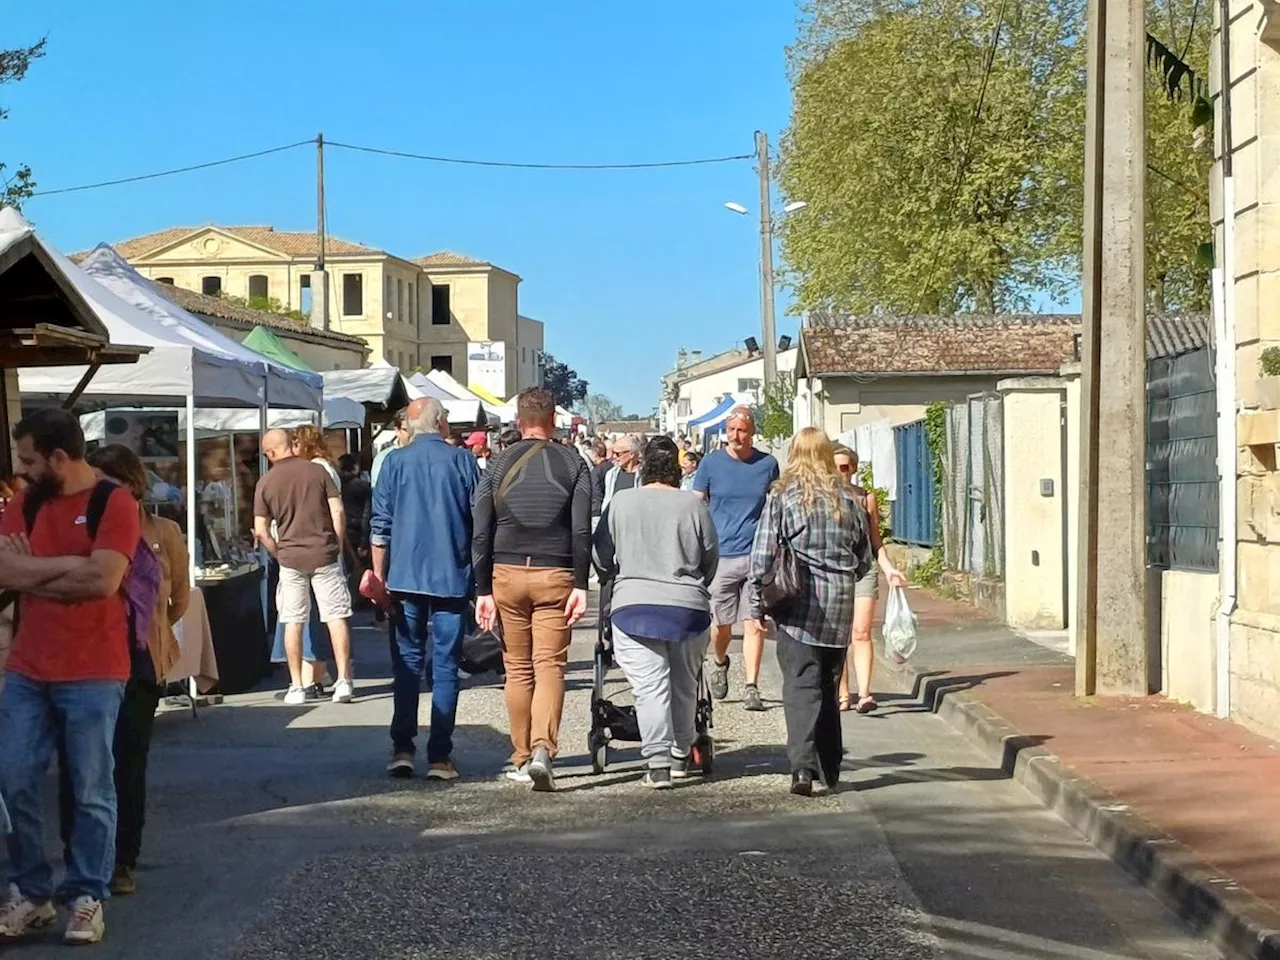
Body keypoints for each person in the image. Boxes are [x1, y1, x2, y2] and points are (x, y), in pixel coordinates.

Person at [0, 410, 139, 944]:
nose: (22, 470)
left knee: (90, 788)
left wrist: (35, 570)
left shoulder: (113, 502)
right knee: (13, 775)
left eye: (31, 460)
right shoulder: (25, 499)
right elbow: (5, 570)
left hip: (95, 669)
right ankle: (33, 892)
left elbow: (103, 580)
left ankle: (86, 895)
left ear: (60, 458)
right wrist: (67, 569)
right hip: (30, 665)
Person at [78, 444, 190, 897]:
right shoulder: (85, 531)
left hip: (141, 660)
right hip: (88, 659)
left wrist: (152, 628)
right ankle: (84, 854)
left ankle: (123, 857)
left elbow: (179, 597)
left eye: (111, 483)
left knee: (128, 760)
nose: (104, 493)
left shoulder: (163, 531)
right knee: (86, 764)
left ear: (131, 484)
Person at [745, 427, 875, 796]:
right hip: (838, 604)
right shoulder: (849, 500)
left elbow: (762, 555)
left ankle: (802, 768)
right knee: (829, 686)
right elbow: (863, 559)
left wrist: (756, 602)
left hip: (798, 603)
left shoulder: (783, 497)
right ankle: (830, 766)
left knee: (801, 684)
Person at [474, 388, 590, 791]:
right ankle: (544, 749)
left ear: (520, 421)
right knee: (550, 665)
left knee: (517, 669)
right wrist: (581, 582)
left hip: (505, 570)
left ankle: (521, 756)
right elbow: (580, 528)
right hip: (555, 571)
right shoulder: (574, 462)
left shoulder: (496, 463)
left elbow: (481, 529)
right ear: (553, 419)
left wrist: (481, 588)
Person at [593, 436, 718, 789]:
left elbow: (602, 554)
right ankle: (681, 754)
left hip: (635, 605)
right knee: (684, 684)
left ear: (643, 468)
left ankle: (658, 762)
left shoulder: (621, 502)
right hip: (688, 606)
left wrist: (612, 576)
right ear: (678, 471)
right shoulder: (693, 506)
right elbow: (710, 558)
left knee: (650, 688)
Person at [370, 397, 479, 780]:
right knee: (447, 665)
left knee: (406, 664)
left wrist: (378, 577)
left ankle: (402, 748)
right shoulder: (462, 462)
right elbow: (478, 521)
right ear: (442, 424)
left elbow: (380, 527)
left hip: (404, 576)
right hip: (451, 575)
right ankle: (439, 756)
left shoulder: (394, 463)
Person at [253, 428, 354, 706]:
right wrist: (337, 542)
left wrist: (278, 551)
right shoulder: (319, 471)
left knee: (292, 619)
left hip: (290, 559)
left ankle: (297, 685)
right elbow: (338, 511)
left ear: (271, 452)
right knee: (335, 616)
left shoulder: (266, 482)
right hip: (325, 553)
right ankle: (344, 680)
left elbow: (261, 530)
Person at [692, 407, 779, 712]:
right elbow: (697, 504)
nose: (736, 436)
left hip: (756, 555)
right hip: (722, 555)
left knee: (755, 623)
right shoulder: (711, 463)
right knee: (721, 625)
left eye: (742, 430)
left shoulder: (767, 464)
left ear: (752, 431)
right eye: (731, 430)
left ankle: (751, 686)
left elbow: (775, 505)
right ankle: (720, 661)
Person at [832, 445, 906, 713]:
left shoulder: (865, 498)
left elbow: (876, 540)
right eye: (835, 467)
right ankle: (842, 694)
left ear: (853, 468)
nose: (841, 474)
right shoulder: (825, 498)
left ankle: (864, 693)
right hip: (836, 571)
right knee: (839, 636)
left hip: (863, 569)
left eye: (845, 467)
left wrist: (888, 569)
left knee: (861, 632)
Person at [599, 434, 641, 515]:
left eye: (618, 454)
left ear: (631, 454)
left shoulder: (644, 476)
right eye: (613, 453)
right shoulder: (611, 474)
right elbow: (607, 501)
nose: (614, 457)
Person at [370, 408, 409, 489]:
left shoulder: (429, 454)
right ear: (397, 431)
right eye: (408, 430)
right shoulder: (383, 458)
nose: (413, 434)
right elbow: (379, 494)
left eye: (416, 429)